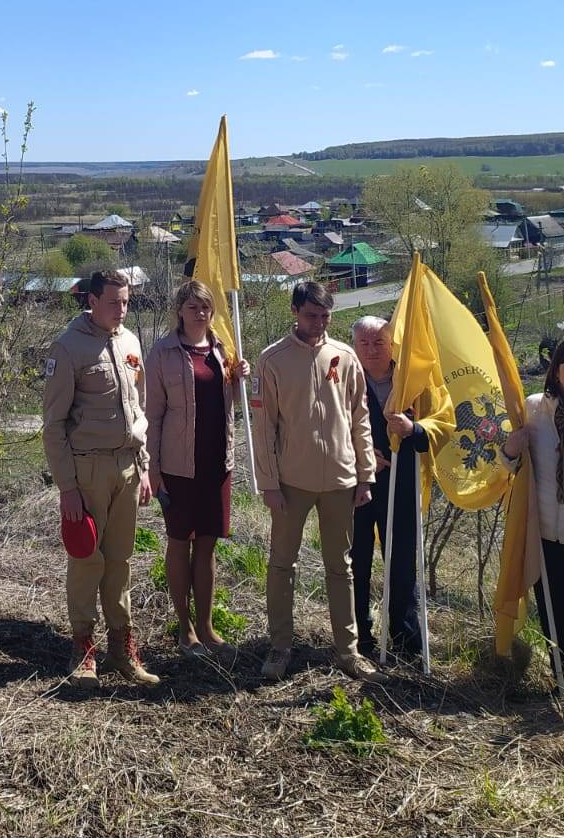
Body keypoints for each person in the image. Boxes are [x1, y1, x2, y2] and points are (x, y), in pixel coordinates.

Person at [251, 279, 377, 682]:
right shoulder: (273, 360)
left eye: (325, 316)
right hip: (291, 481)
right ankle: (280, 646)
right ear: (295, 312)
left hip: (341, 479)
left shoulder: (345, 357)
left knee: (341, 567)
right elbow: (263, 427)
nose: (319, 324)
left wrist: (365, 474)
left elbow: (360, 418)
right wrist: (269, 483)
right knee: (282, 564)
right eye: (311, 315)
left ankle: (348, 651)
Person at [42, 268, 158, 689]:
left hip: (126, 468)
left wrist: (143, 467)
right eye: (113, 302)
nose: (121, 310)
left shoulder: (129, 341)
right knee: (87, 560)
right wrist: (68, 488)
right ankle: (83, 650)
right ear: (91, 300)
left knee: (120, 562)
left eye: (126, 302)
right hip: (87, 471)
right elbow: (53, 426)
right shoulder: (68, 347)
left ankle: (122, 648)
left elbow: (139, 409)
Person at [145, 278, 249, 656]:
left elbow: (229, 406)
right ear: (180, 311)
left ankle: (207, 627)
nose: (201, 314)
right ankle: (184, 629)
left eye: (205, 308)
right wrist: (152, 469)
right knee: (179, 544)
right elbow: (152, 415)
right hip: (177, 467)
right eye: (193, 308)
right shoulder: (163, 353)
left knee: (206, 547)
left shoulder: (222, 351)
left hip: (216, 465)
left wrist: (238, 381)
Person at [501, 337, 564, 685]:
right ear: (555, 371)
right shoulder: (534, 410)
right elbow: (511, 467)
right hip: (544, 535)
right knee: (555, 612)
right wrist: (510, 449)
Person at [348, 316, 429, 659]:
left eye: (379, 342)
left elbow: (441, 422)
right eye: (364, 343)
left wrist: (414, 429)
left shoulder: (413, 380)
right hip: (355, 485)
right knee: (356, 561)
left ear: (392, 344)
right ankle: (359, 637)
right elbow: (324, 426)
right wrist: (359, 454)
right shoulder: (342, 378)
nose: (371, 350)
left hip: (403, 482)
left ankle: (405, 638)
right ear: (354, 346)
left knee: (401, 562)